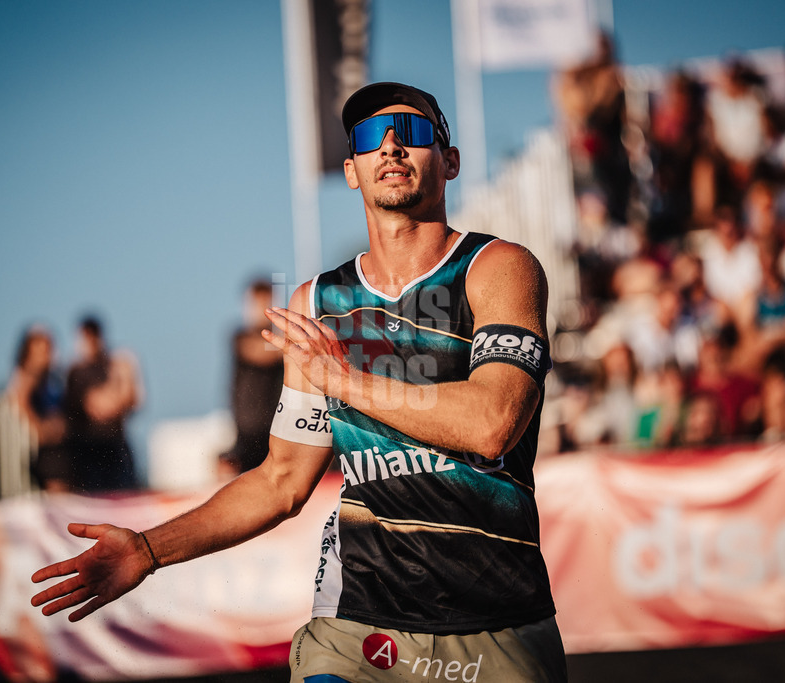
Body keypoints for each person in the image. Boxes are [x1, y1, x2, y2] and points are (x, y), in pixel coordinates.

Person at [31, 83, 566, 682]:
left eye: (412, 131)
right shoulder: (317, 304)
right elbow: (282, 480)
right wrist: (148, 551)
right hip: (360, 619)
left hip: (497, 619)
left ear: (451, 160)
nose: (390, 145)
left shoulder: (497, 267)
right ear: (351, 171)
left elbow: (492, 423)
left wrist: (342, 378)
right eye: (369, 138)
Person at [63, 315, 143, 492]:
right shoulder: (74, 372)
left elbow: (134, 400)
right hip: (87, 451)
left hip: (115, 446)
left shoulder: (118, 363)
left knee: (122, 500)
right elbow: (76, 410)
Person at [219, 278, 285, 475]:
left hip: (276, 427)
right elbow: (262, 353)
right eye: (257, 303)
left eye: (266, 302)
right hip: (248, 432)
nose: (261, 308)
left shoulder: (280, 338)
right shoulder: (240, 336)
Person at [6, 324, 69, 491]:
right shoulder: (27, 376)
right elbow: (20, 403)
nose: (46, 354)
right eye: (41, 350)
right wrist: (42, 429)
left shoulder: (52, 377)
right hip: (41, 454)